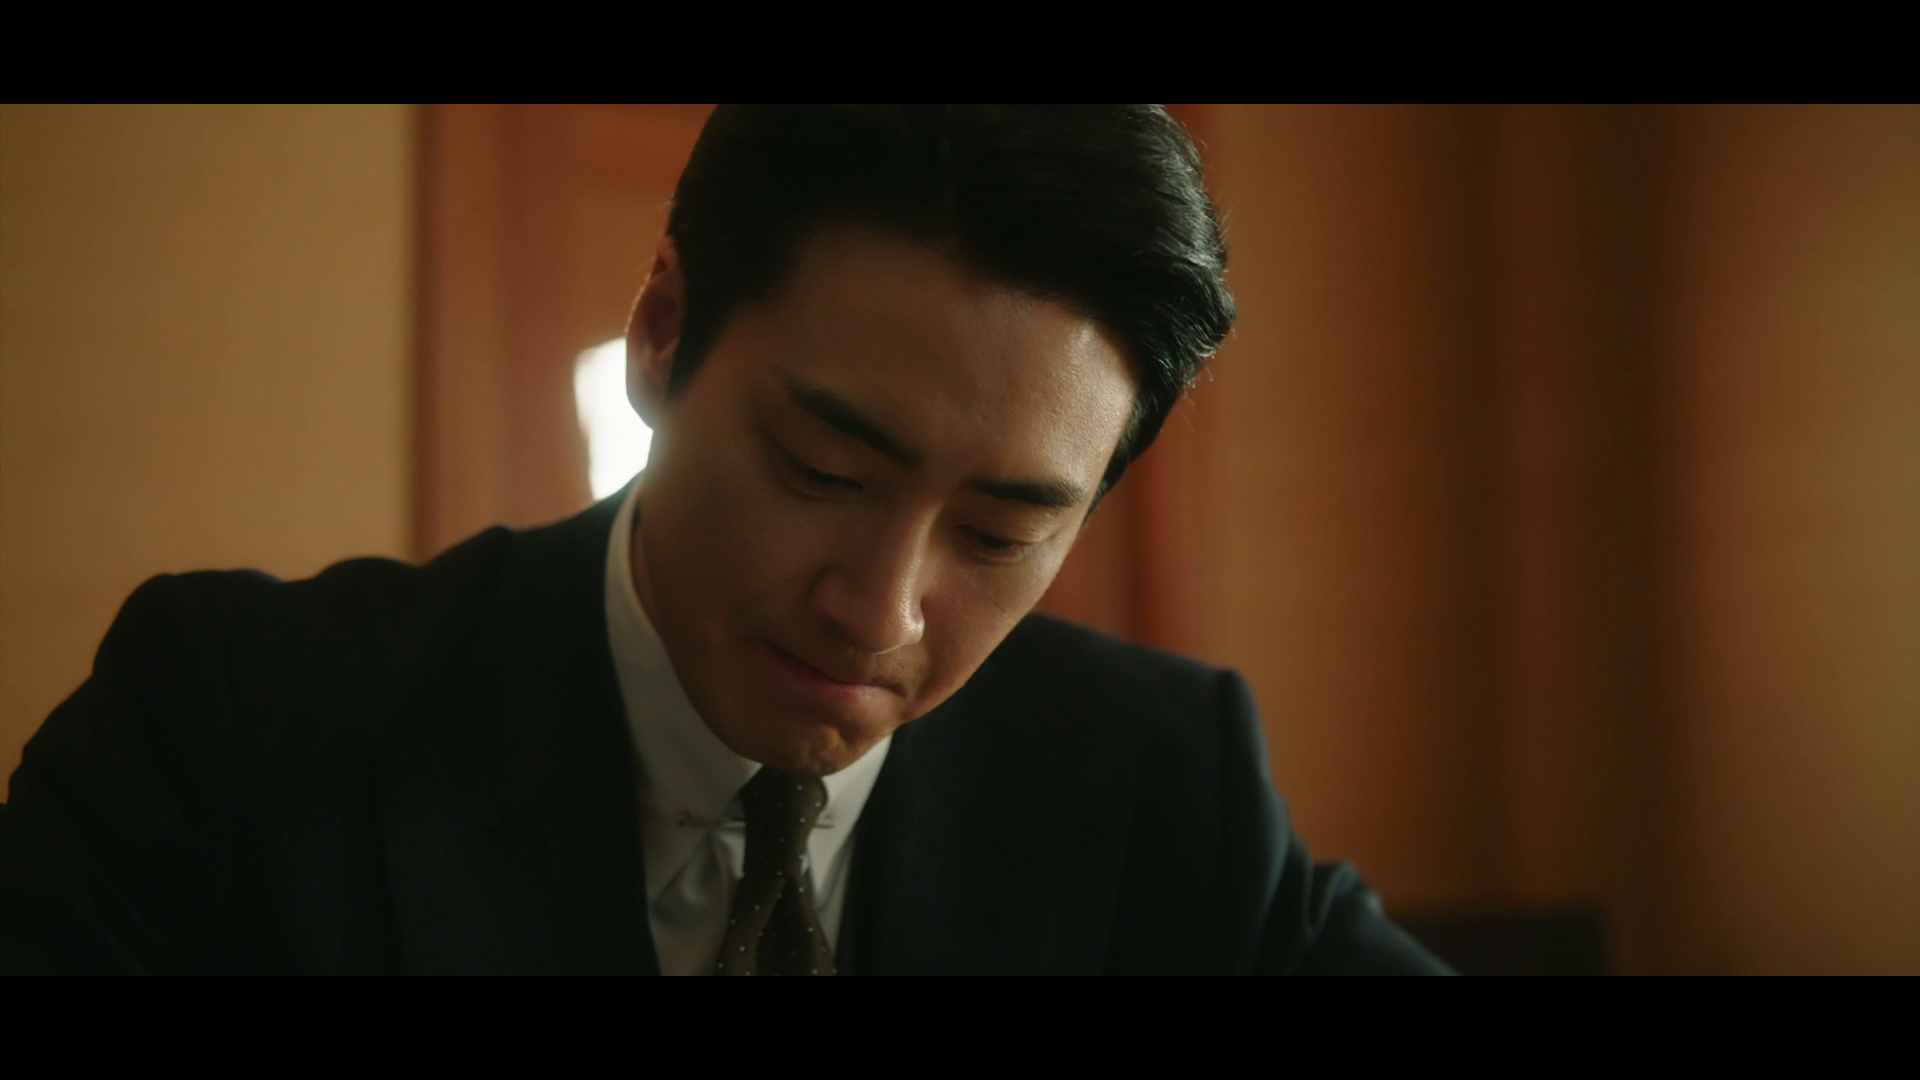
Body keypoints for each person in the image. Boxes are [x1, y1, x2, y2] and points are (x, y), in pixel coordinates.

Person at [0, 105, 1448, 974]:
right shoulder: (235, 727)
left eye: (999, 532)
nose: (879, 611)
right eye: (823, 469)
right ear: (660, 331)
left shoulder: (1167, 783)